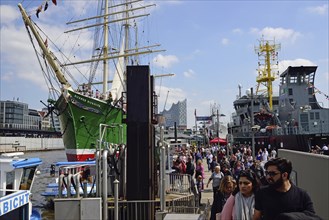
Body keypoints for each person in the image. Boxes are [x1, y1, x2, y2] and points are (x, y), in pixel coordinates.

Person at [253, 158, 320, 220]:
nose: (268, 177)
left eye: (272, 174)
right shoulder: (261, 193)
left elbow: (310, 217)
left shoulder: (302, 195)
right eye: (267, 173)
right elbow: (256, 217)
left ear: (284, 175)